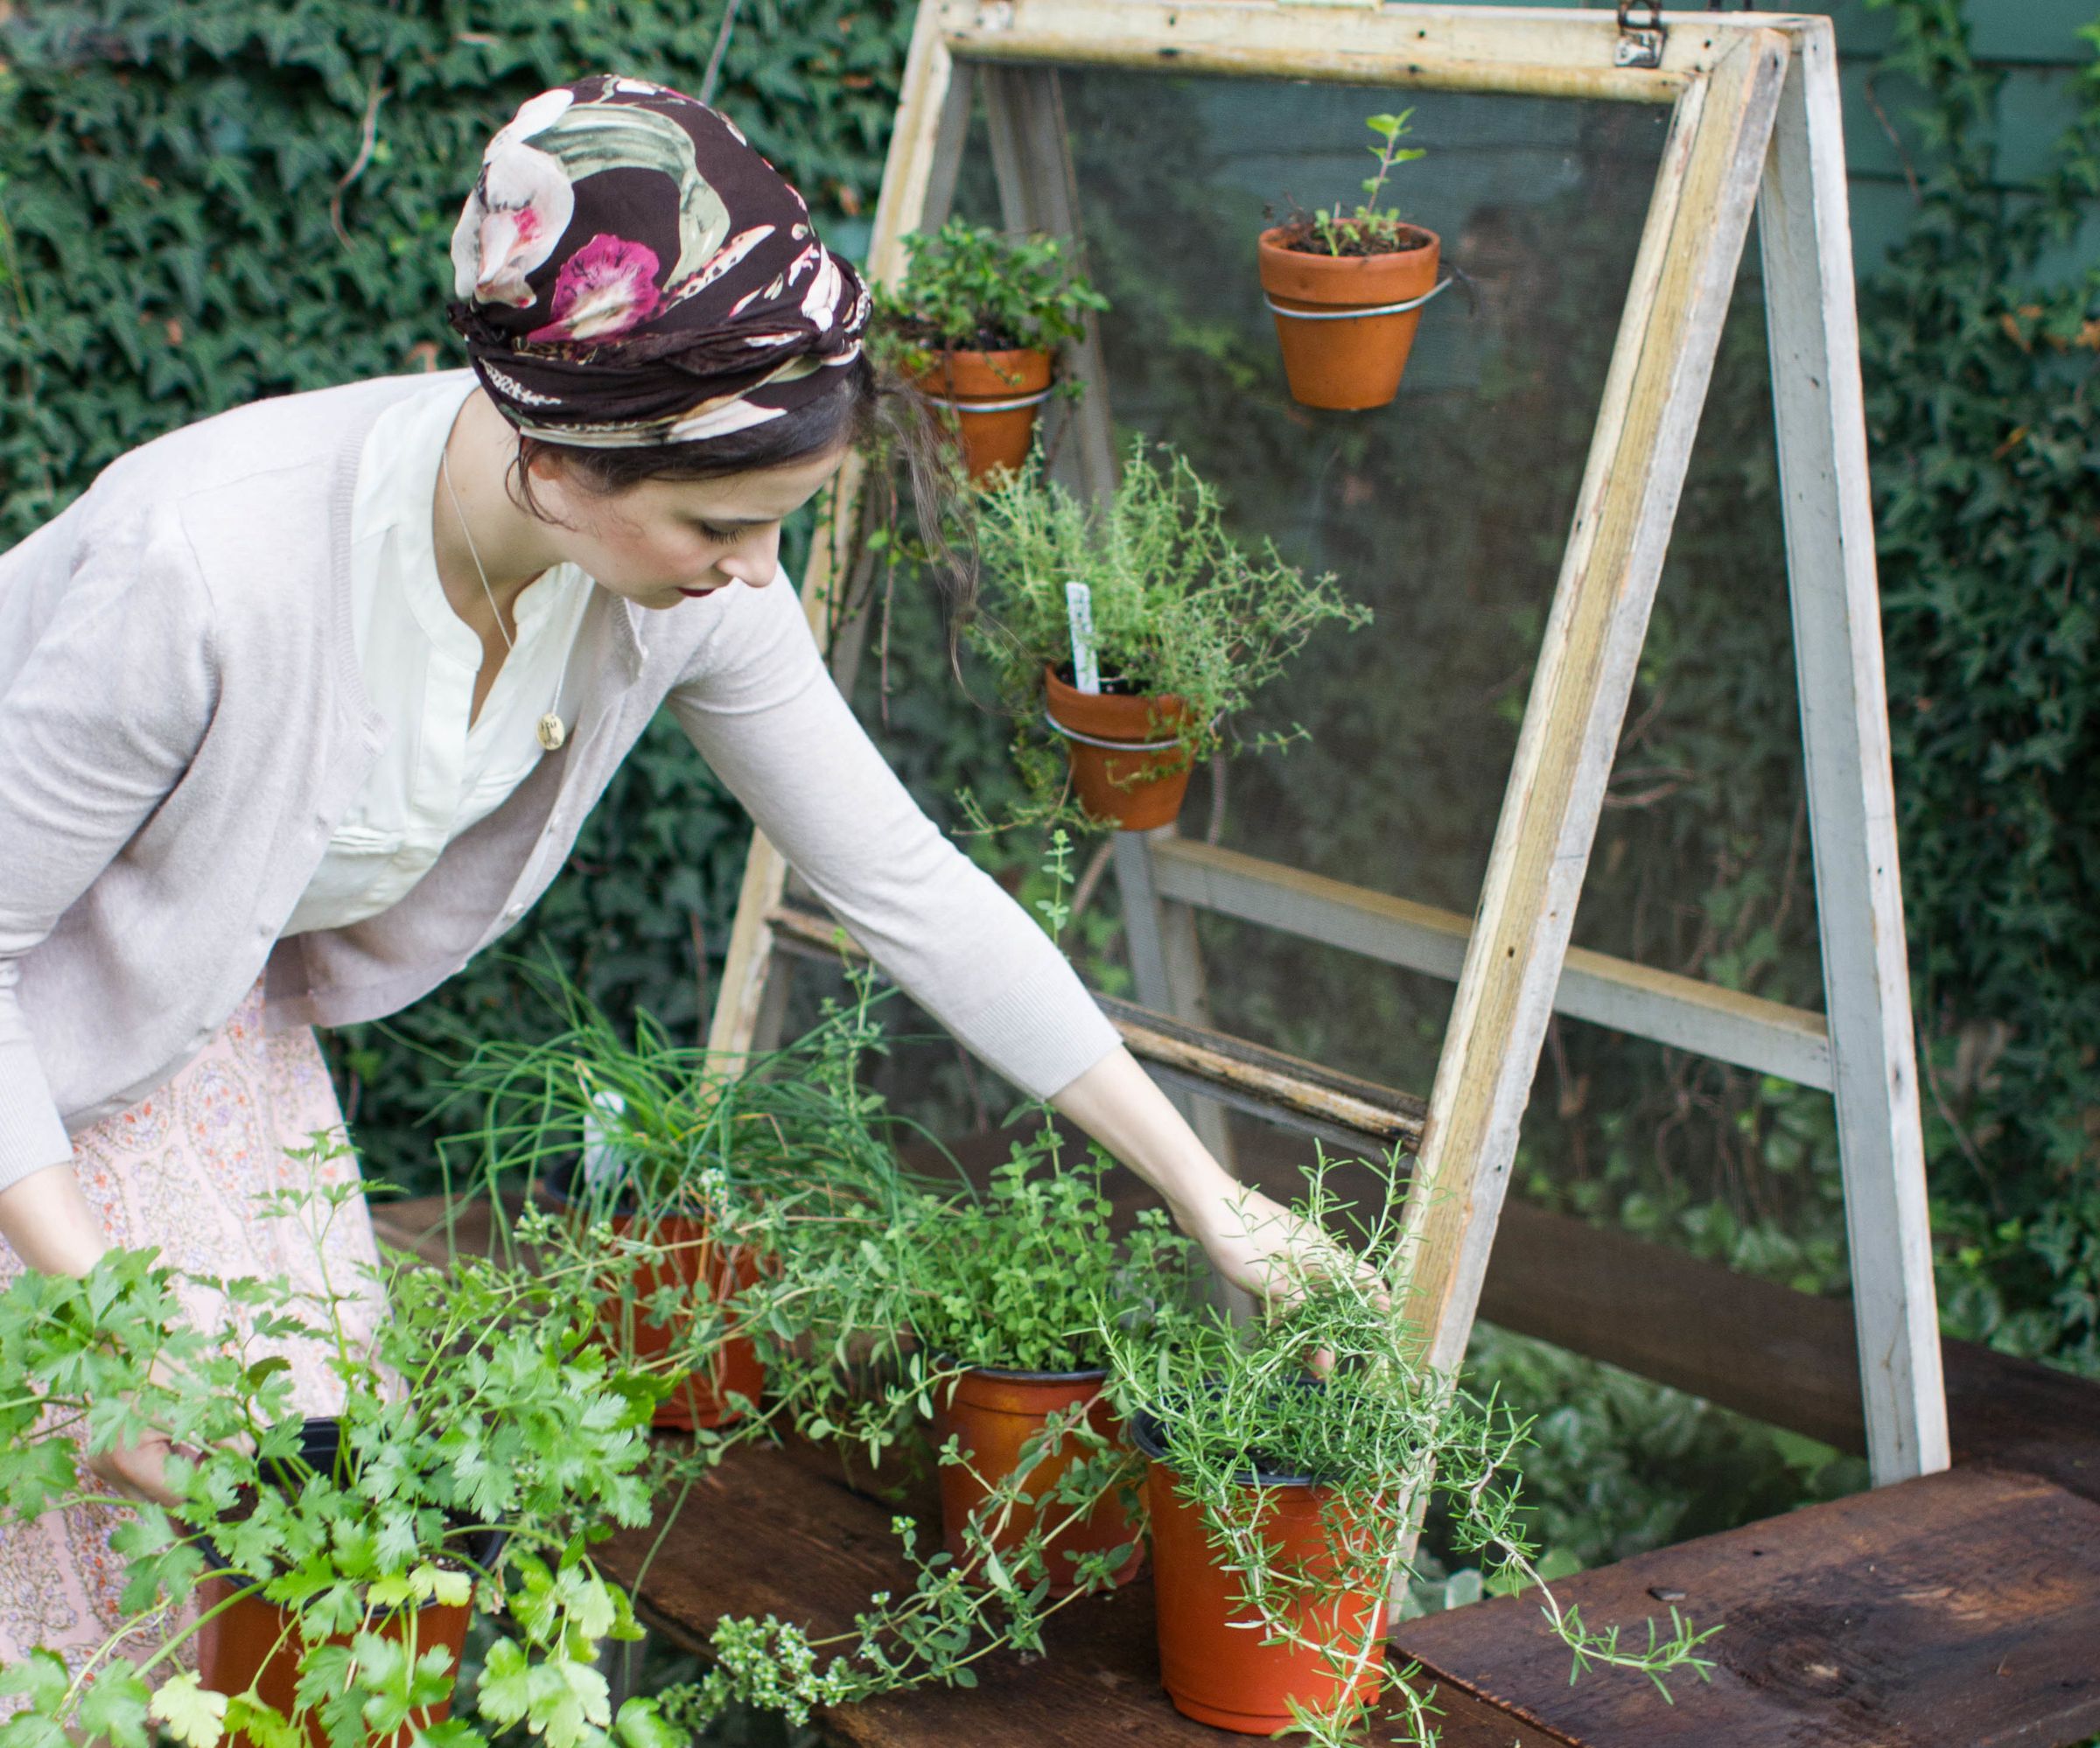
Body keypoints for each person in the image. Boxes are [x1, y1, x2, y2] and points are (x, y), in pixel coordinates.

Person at [0, 76, 1327, 1668]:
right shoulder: (204, 564)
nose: (755, 569)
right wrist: (111, 1337)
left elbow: (900, 876)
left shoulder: (673, 584)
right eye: (722, 520)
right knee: (85, 1623)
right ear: (556, 465)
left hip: (205, 1052)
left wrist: (1208, 1191)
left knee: (292, 1596)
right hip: (26, 1070)